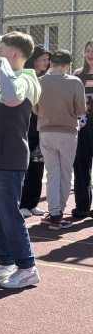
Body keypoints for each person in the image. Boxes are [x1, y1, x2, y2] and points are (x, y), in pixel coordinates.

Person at [0, 31, 41, 289]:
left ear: (15, 54)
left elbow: (13, 99)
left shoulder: (25, 79)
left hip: (9, 158)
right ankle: (6, 264)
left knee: (9, 215)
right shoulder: (11, 79)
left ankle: (27, 268)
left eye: (0, 51)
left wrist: (5, 69)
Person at [34, 49, 86, 229]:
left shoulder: (40, 81)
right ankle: (58, 214)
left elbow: (35, 109)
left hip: (46, 132)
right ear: (68, 65)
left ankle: (53, 211)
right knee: (65, 174)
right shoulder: (74, 82)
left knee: (52, 174)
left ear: (50, 64)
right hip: (67, 133)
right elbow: (81, 110)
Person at [19, 45, 51, 218]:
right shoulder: (26, 77)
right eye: (44, 59)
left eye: (48, 59)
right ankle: (23, 204)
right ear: (35, 60)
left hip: (41, 129)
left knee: (38, 166)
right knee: (25, 168)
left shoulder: (47, 79)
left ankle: (33, 204)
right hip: (25, 129)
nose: (47, 62)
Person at [72, 38, 93, 219]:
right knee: (80, 166)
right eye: (87, 50)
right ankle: (82, 205)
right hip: (83, 123)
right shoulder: (78, 74)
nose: (90, 54)